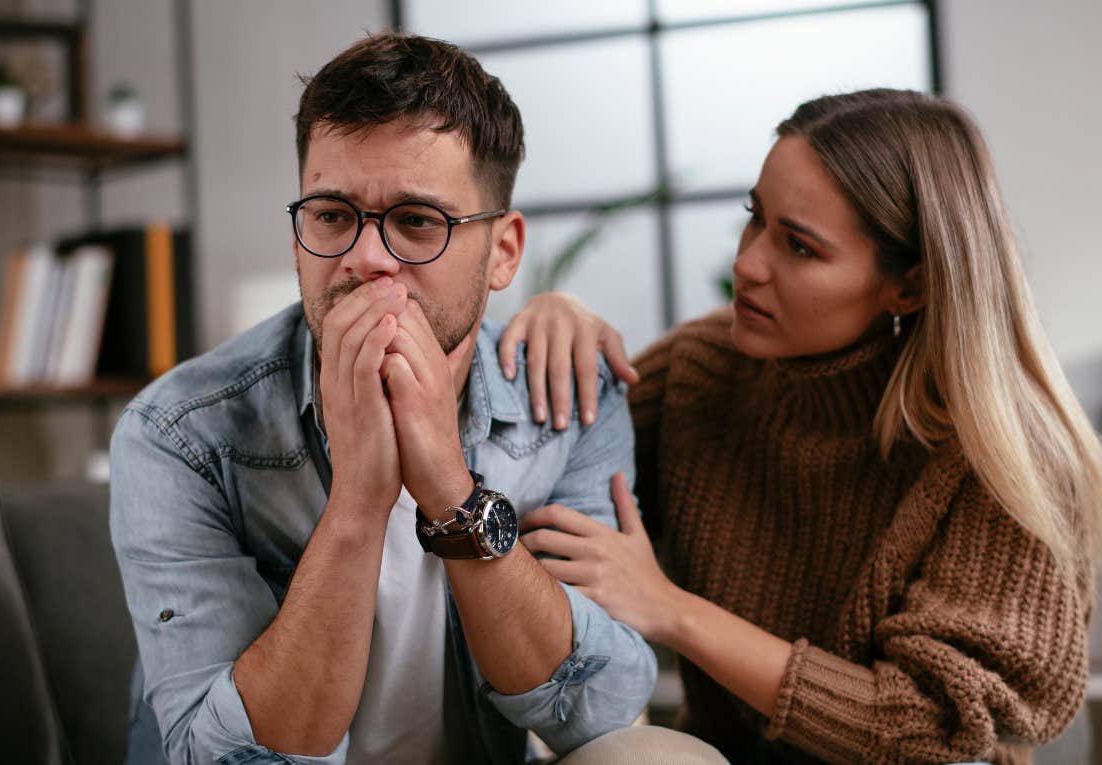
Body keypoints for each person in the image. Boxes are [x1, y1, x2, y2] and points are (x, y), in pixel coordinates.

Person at [109, 33, 714, 765]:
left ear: (504, 253)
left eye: (417, 221)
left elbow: (599, 712)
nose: (367, 258)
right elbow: (220, 758)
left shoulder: (564, 390)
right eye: (332, 215)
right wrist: (361, 499)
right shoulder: (179, 431)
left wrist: (451, 491)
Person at [499, 88, 1102, 764]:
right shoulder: (701, 371)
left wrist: (672, 608)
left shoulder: (1003, 455)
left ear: (908, 286)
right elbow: (547, 479)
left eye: (799, 246)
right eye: (754, 218)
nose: (747, 263)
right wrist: (557, 323)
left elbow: (933, 729)